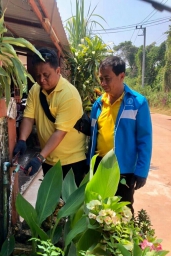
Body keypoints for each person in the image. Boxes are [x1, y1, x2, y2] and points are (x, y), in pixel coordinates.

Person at [13, 48, 87, 186]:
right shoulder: (35, 89)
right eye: (38, 75)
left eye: (46, 75)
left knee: (68, 205)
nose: (42, 80)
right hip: (49, 160)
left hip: (71, 162)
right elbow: (29, 118)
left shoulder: (69, 94)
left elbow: (60, 132)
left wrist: (39, 158)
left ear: (58, 71)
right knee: (51, 206)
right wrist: (22, 140)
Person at [88, 55, 152, 213]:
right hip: (99, 167)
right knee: (98, 212)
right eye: (101, 78)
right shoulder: (98, 104)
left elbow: (145, 139)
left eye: (107, 78)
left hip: (124, 170)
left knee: (122, 213)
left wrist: (142, 171)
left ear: (121, 76)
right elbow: (94, 135)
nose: (103, 83)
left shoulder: (138, 102)